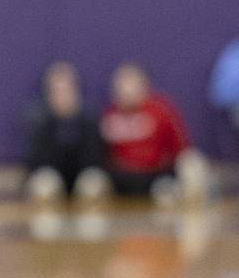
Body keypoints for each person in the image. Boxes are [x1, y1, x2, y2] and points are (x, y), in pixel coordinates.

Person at [98, 61, 205, 203]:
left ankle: (194, 220)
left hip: (156, 176)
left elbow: (182, 149)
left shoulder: (162, 111)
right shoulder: (108, 115)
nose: (127, 90)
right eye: (122, 85)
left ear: (144, 86)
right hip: (121, 180)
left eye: (132, 84)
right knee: (92, 185)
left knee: (191, 163)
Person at [22, 61, 105, 202]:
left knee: (93, 185)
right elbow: (34, 161)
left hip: (81, 174)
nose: (63, 96)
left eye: (67, 90)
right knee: (44, 186)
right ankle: (46, 224)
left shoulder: (89, 118)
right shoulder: (38, 119)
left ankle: (91, 224)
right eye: (58, 91)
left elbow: (95, 157)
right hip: (51, 174)